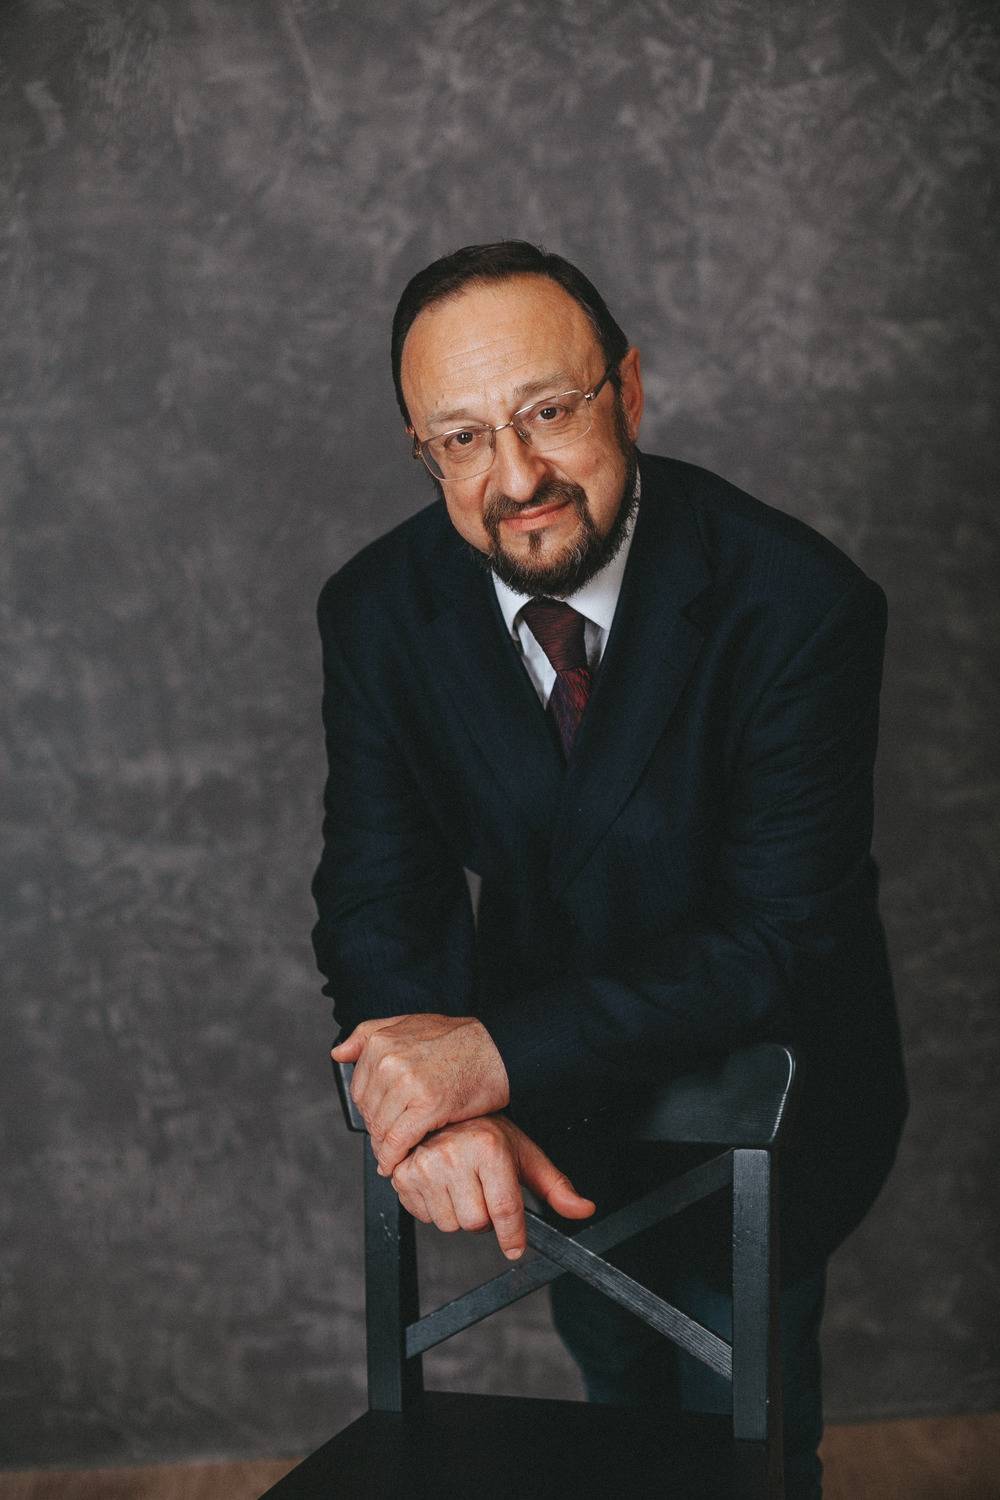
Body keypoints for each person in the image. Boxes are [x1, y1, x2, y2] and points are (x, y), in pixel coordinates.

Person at [311, 240, 907, 1496]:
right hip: (558, 1124)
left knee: (744, 1451)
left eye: (548, 411)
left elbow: (778, 940)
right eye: (462, 438)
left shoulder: (798, 601)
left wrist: (487, 1056)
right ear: (423, 452)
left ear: (626, 391)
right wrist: (420, 1089)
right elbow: (376, 887)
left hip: (769, 1109)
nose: (516, 476)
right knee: (614, 1428)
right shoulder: (377, 609)